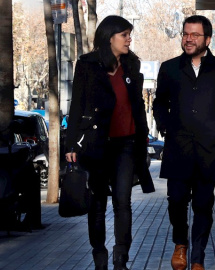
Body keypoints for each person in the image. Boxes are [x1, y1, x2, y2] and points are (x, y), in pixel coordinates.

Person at [65, 15, 154, 270]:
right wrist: (71, 145)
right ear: (109, 37)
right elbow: (77, 104)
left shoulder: (131, 65)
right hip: (97, 145)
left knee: (123, 202)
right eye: (124, 34)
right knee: (97, 204)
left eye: (129, 34)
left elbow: (136, 107)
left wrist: (143, 139)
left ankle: (120, 257)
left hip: (126, 144)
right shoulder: (88, 65)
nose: (129, 39)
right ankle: (99, 255)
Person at [152, 15, 215, 270]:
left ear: (207, 39)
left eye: (194, 35)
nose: (188, 39)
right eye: (185, 34)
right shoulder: (169, 68)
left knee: (203, 204)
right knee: (176, 200)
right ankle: (181, 244)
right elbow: (159, 102)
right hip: (178, 148)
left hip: (209, 150)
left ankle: (198, 257)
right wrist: (165, 124)